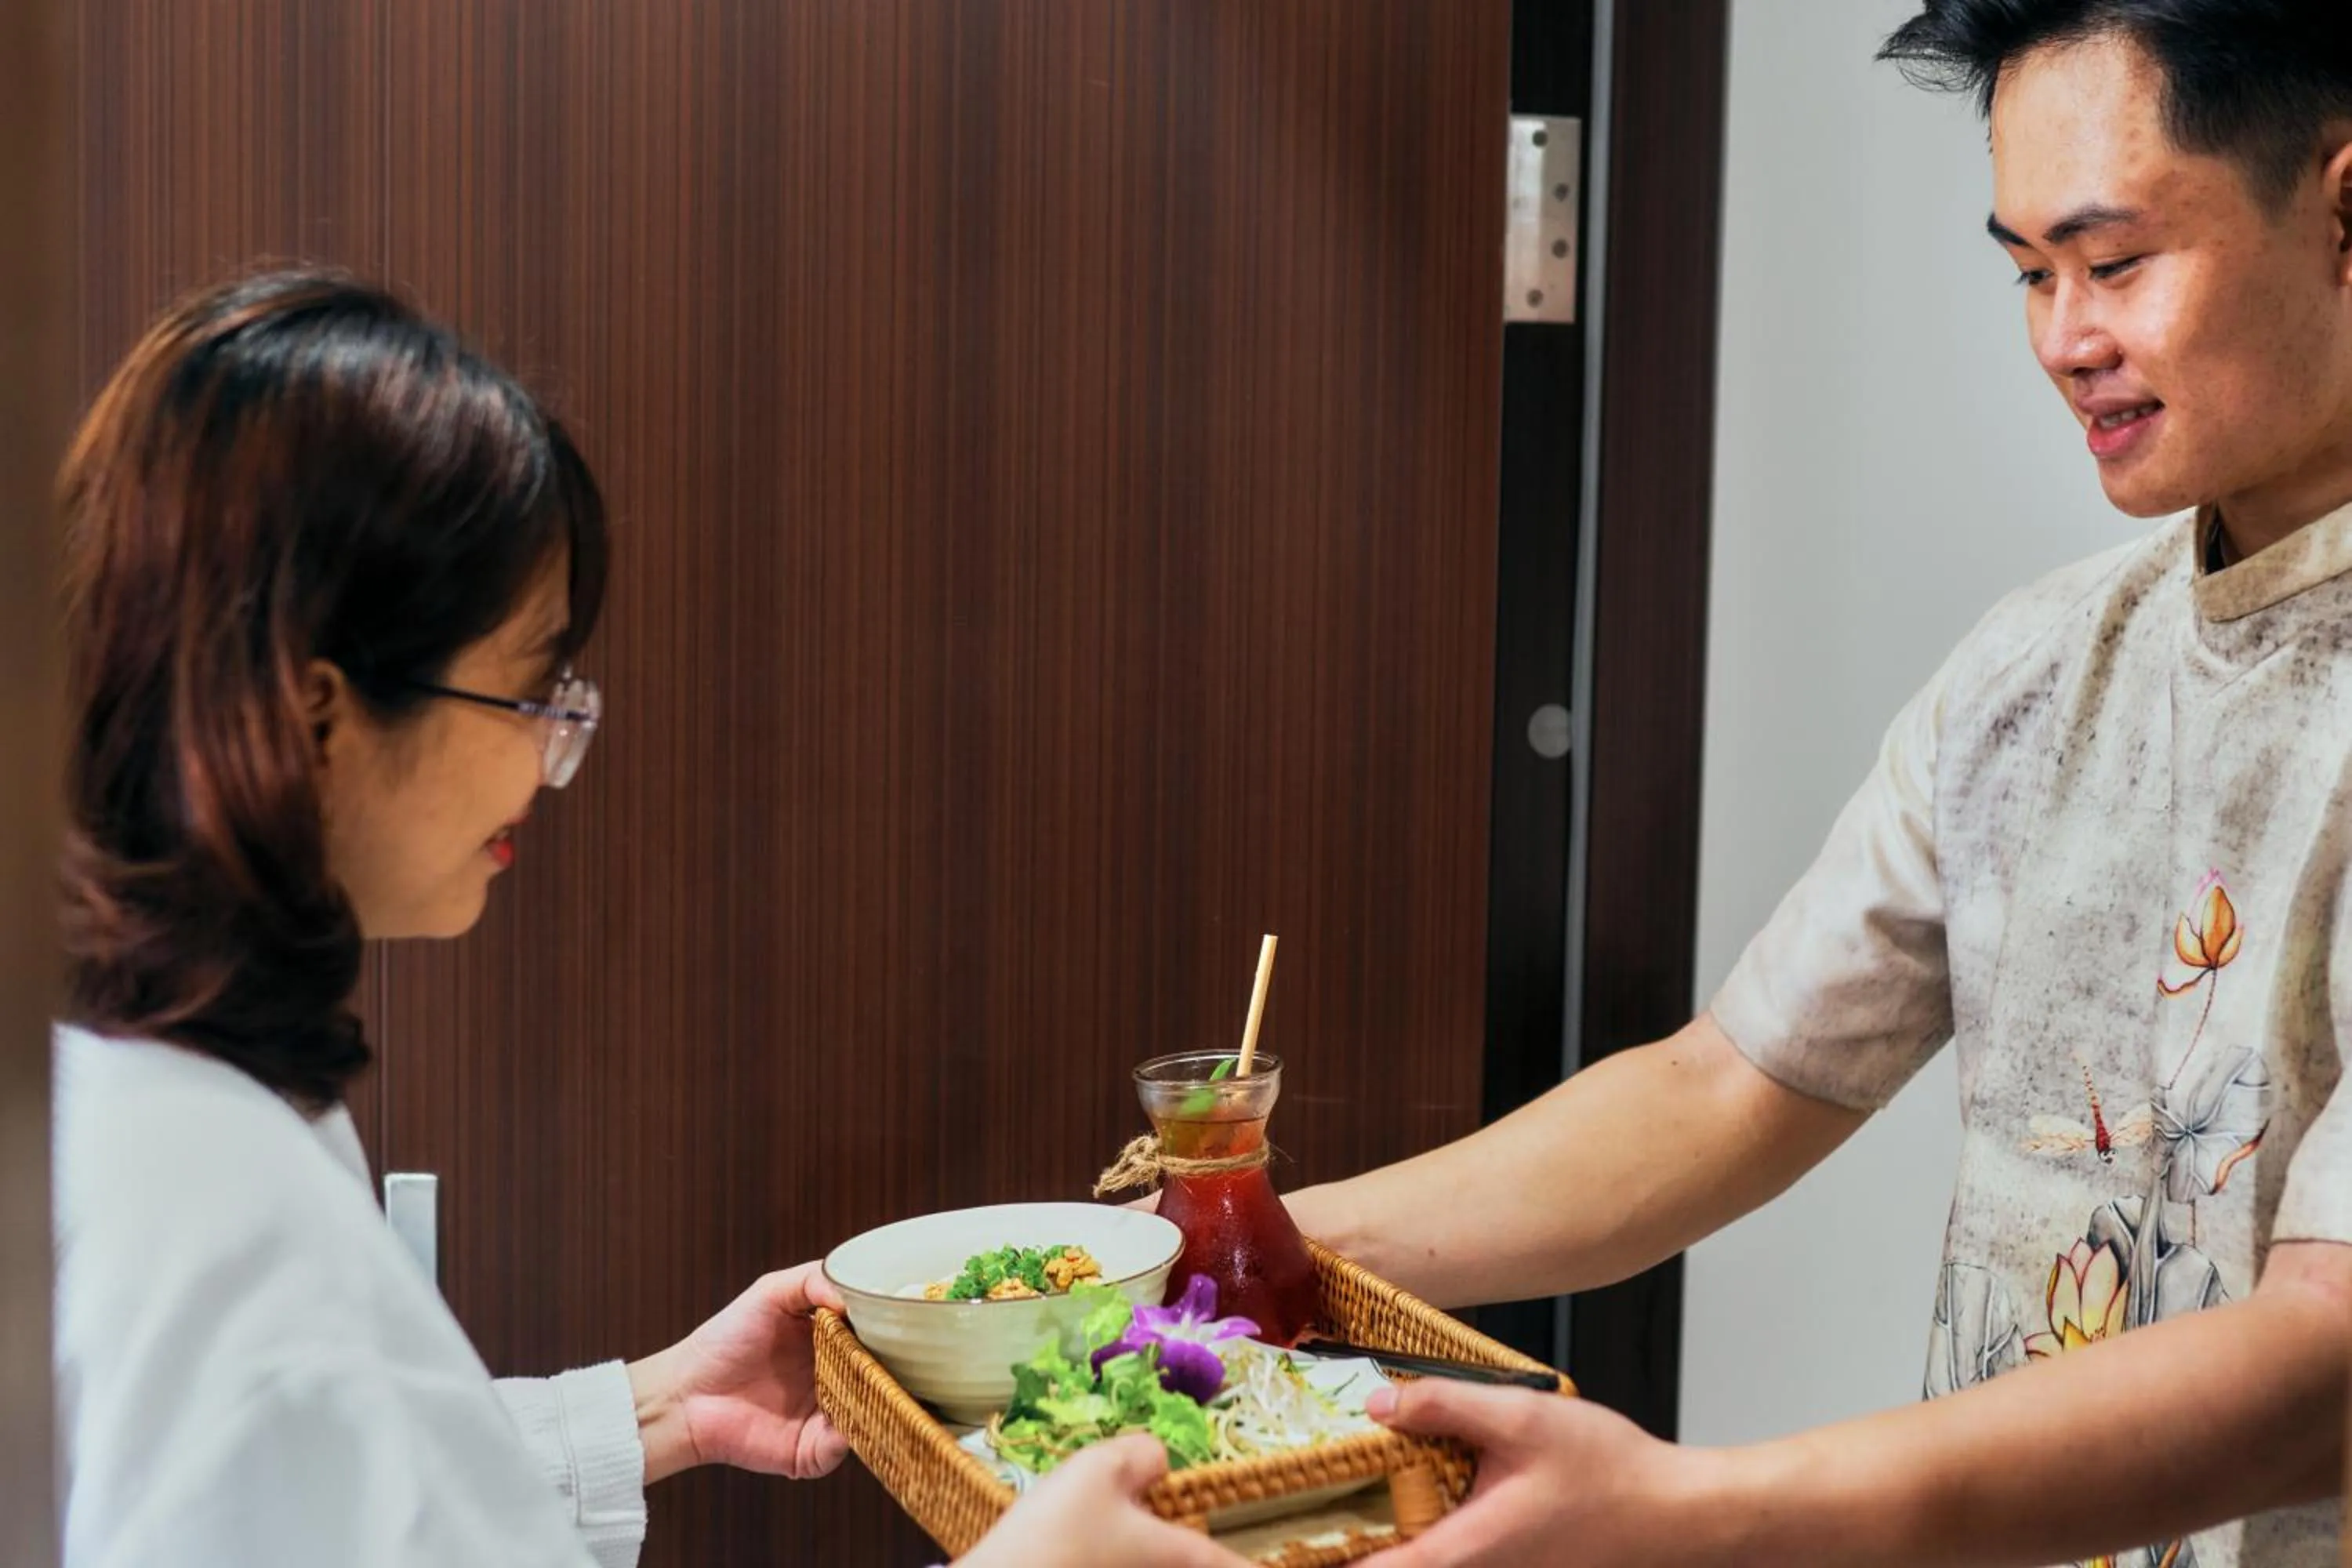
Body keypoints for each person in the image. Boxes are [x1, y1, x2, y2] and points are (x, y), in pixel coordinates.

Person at [1280, 3, 2352, 1563]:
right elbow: (1727, 1087)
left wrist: (1681, 1507)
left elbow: (2325, 1365)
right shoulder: (2036, 668)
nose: (2066, 337)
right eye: (2028, 273)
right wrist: (1247, 1254)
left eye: (2117, 263)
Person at [52, 270, 1246, 1568]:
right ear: (317, 713)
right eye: (528, 695)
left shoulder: (146, 1087)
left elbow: (333, 1490)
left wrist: (662, 1406)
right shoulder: (215, 1211)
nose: (552, 760)